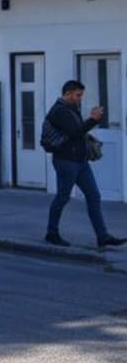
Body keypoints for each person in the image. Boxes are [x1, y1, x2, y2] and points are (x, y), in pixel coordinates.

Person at [42, 80, 124, 248]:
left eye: (81, 95)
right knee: (63, 197)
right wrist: (93, 119)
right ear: (68, 94)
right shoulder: (60, 111)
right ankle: (52, 233)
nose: (80, 99)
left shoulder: (71, 109)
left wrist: (92, 120)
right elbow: (75, 132)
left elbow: (78, 131)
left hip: (80, 161)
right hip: (66, 161)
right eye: (78, 95)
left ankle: (103, 236)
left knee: (93, 196)